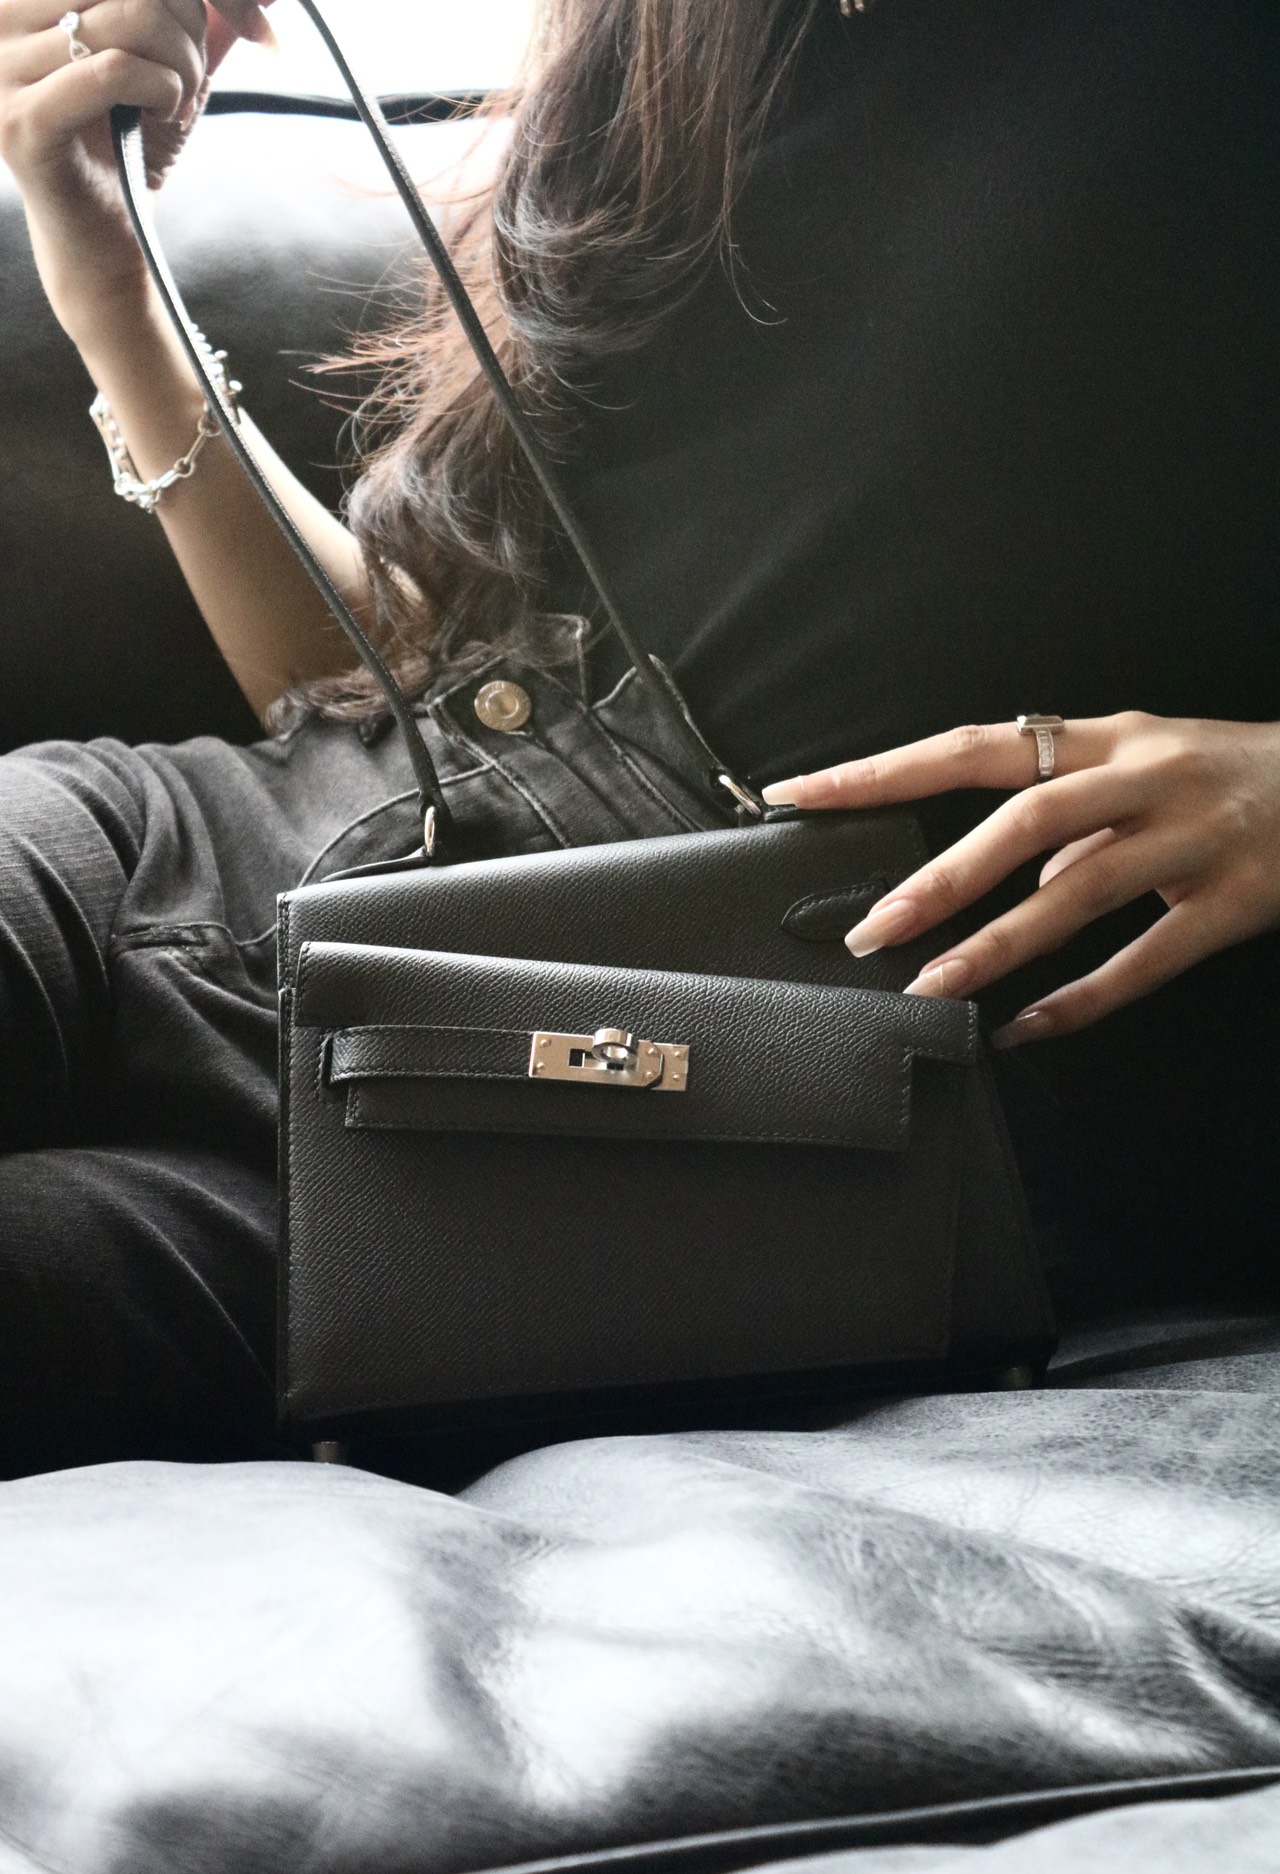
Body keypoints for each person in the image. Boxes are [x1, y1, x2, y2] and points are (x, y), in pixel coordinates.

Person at [0, 0, 1276, 1473]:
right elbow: (416, 681)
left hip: (655, 1146)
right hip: (184, 847)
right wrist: (111, 286)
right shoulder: (676, 50)